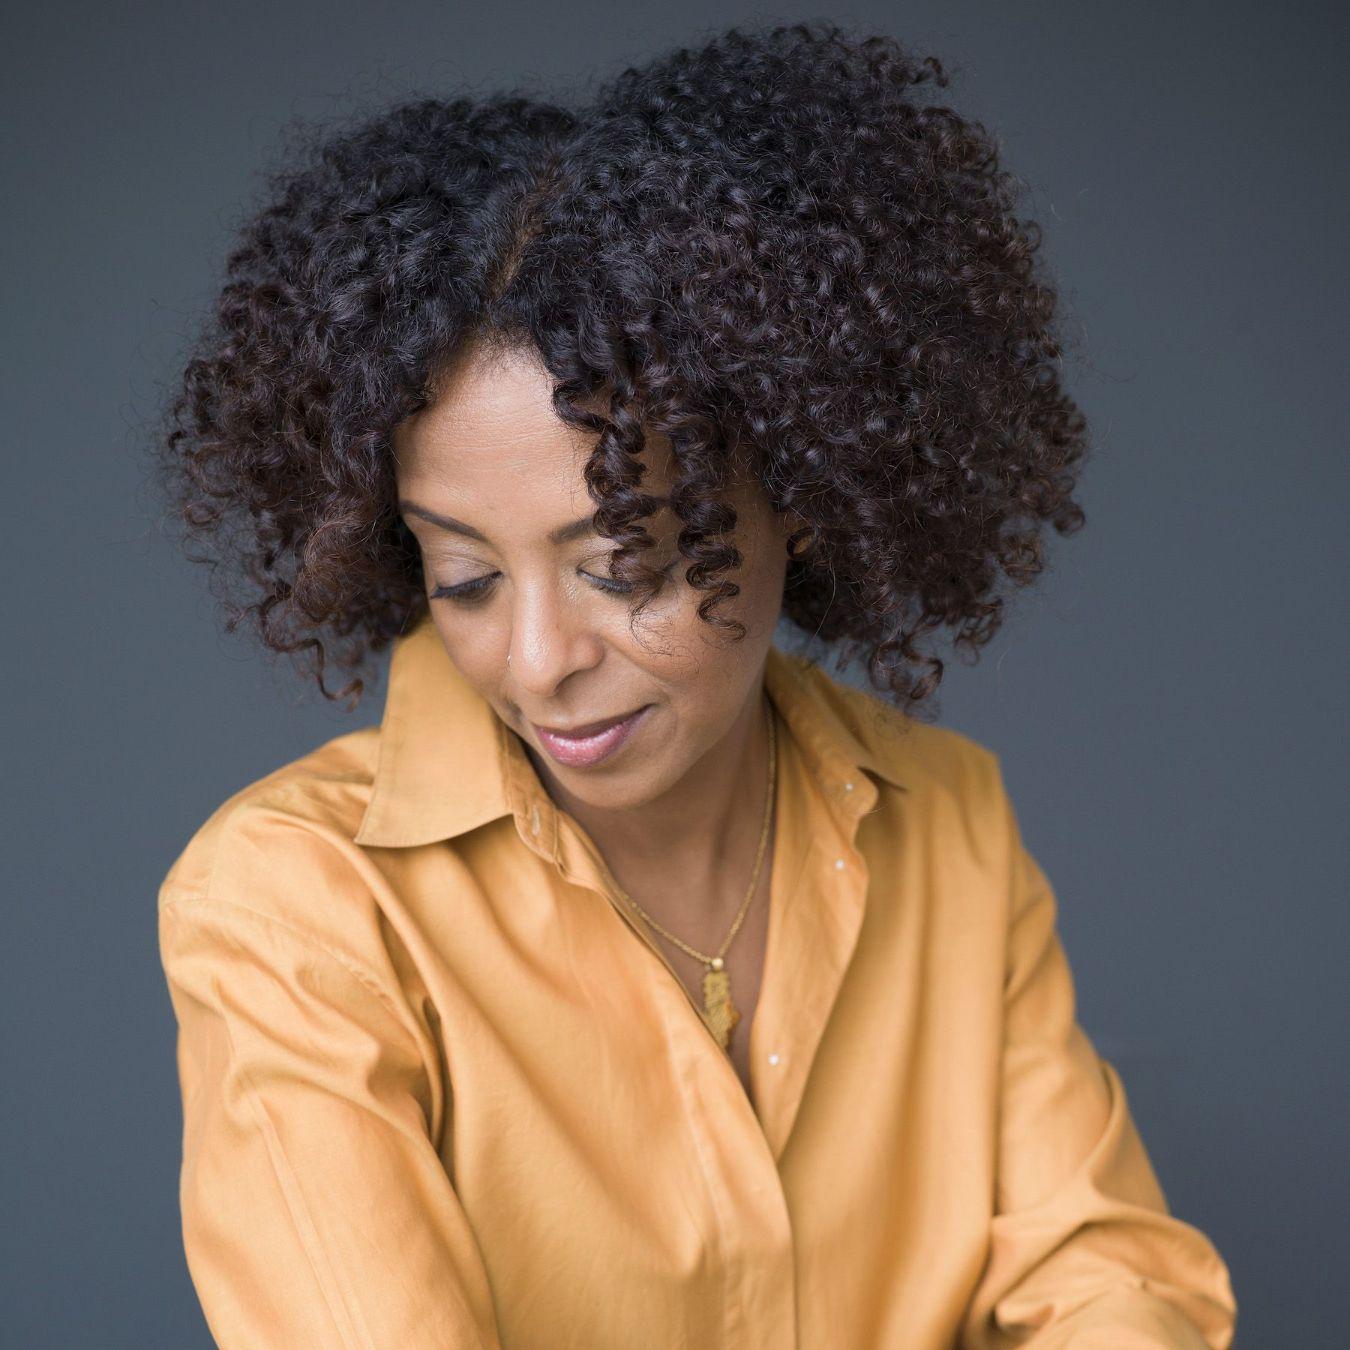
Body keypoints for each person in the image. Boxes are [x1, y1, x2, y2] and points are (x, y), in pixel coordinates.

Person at [153, 20, 1237, 1348]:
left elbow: (1106, 1275)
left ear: (797, 494)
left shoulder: (945, 820)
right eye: (466, 576)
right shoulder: (299, 908)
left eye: (625, 563)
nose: (540, 658)